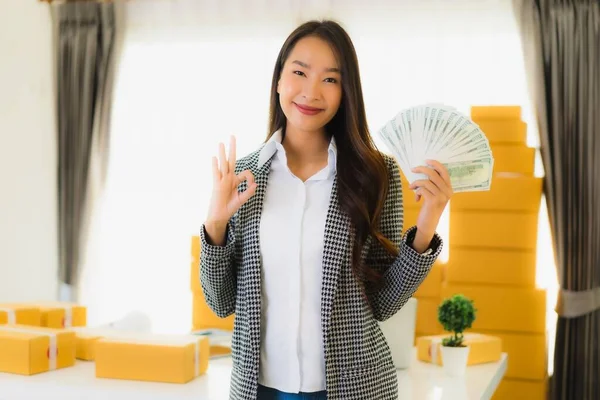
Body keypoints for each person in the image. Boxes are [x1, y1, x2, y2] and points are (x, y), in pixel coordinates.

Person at [200, 19, 452, 400]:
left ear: (346, 91)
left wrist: (428, 221)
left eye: (330, 80)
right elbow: (220, 302)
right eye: (299, 72)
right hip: (259, 390)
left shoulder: (374, 174)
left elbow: (383, 303)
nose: (311, 91)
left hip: (354, 389)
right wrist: (215, 223)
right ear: (279, 80)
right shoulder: (243, 177)